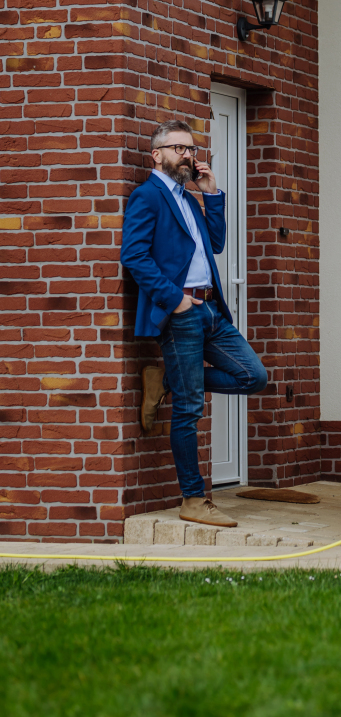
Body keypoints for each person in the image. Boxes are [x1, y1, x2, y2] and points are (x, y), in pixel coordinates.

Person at [121, 119, 268, 528]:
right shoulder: (147, 196)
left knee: (253, 376)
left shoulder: (188, 197)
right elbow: (134, 257)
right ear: (157, 155)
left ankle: (166, 380)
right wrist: (176, 302)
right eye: (179, 148)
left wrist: (212, 195)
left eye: (191, 148)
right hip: (182, 312)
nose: (188, 154)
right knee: (189, 409)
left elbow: (216, 243)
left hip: (211, 310)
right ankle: (192, 499)